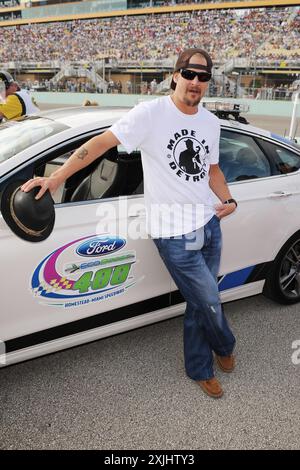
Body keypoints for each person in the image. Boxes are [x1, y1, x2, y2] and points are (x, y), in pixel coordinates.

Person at [21, 48, 237, 399]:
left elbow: (211, 169)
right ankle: (225, 344)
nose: (195, 81)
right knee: (210, 298)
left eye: (203, 76)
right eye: (189, 73)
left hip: (209, 223)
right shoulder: (151, 114)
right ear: (175, 75)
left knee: (200, 301)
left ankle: (199, 367)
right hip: (173, 232)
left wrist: (227, 200)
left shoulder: (209, 123)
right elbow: (100, 143)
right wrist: (57, 177)